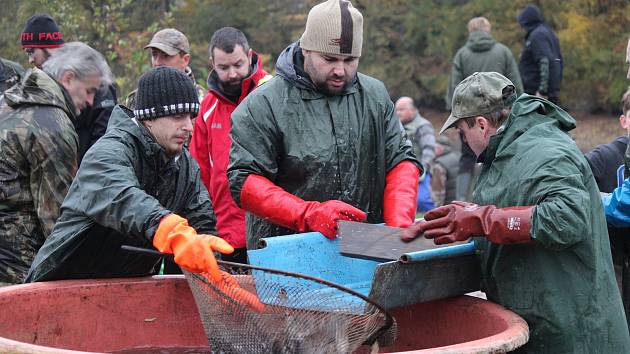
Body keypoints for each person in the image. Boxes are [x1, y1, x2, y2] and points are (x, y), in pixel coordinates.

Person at [403, 72, 630, 352]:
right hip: (544, 327)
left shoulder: (545, 150)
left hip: (577, 336)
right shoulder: (507, 151)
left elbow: (569, 217)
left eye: (463, 132)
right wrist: (471, 216)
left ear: (482, 125)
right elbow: (511, 210)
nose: (464, 140)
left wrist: (484, 219)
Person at [227, 0, 421, 249]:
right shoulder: (263, 104)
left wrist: (398, 229)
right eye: (329, 59)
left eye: (350, 60)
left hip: (368, 249)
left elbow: (401, 160)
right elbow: (244, 179)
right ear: (306, 49)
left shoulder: (374, 95)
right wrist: (307, 214)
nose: (340, 70)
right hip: (287, 254)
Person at [27, 67, 233, 283]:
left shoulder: (185, 166)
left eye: (192, 117)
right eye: (178, 117)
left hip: (128, 287)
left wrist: (218, 275)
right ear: (149, 118)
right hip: (64, 283)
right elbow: (121, 197)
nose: (188, 127)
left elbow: (202, 223)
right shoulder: (109, 151)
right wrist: (168, 229)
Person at [0, 42, 112, 284]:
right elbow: (59, 223)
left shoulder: (10, 102)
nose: (92, 102)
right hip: (17, 270)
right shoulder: (53, 126)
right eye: (90, 90)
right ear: (69, 78)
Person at [190, 27, 271, 264]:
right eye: (224, 68)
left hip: (270, 231)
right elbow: (199, 173)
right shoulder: (207, 108)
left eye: (237, 64)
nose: (232, 74)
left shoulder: (270, 93)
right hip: (226, 234)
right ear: (212, 63)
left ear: (249, 55)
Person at [21, 13, 118, 164]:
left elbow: (104, 135)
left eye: (31, 51)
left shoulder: (88, 71)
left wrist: (86, 173)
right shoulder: (41, 84)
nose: (30, 59)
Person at [446, 16, 523, 203]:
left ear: (470, 31)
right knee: (500, 155)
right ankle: (495, 199)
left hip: (468, 115)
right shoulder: (503, 52)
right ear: (487, 30)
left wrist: (455, 114)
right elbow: (515, 84)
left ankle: (461, 200)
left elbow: (454, 86)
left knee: (466, 158)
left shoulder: (462, 54)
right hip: (500, 115)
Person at [125, 28, 205, 109]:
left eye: (166, 55)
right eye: (154, 54)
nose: (157, 62)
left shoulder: (205, 101)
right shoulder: (138, 98)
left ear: (185, 60)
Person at [395, 96, 434, 212]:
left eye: (401, 109)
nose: (398, 113)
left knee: (422, 201)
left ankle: (435, 221)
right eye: (396, 110)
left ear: (413, 110)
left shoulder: (423, 126)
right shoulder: (396, 127)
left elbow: (429, 149)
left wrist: (423, 169)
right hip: (402, 172)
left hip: (420, 172)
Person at [517, 4, 563, 104]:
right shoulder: (547, 32)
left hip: (538, 95)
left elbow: (545, 61)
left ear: (526, 22)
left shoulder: (537, 35)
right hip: (547, 93)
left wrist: (542, 91)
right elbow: (558, 60)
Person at [430, 135, 460, 207]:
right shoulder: (458, 157)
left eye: (435, 147)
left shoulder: (439, 165)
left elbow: (437, 194)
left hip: (448, 207)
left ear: (440, 149)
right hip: (460, 204)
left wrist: (437, 211)